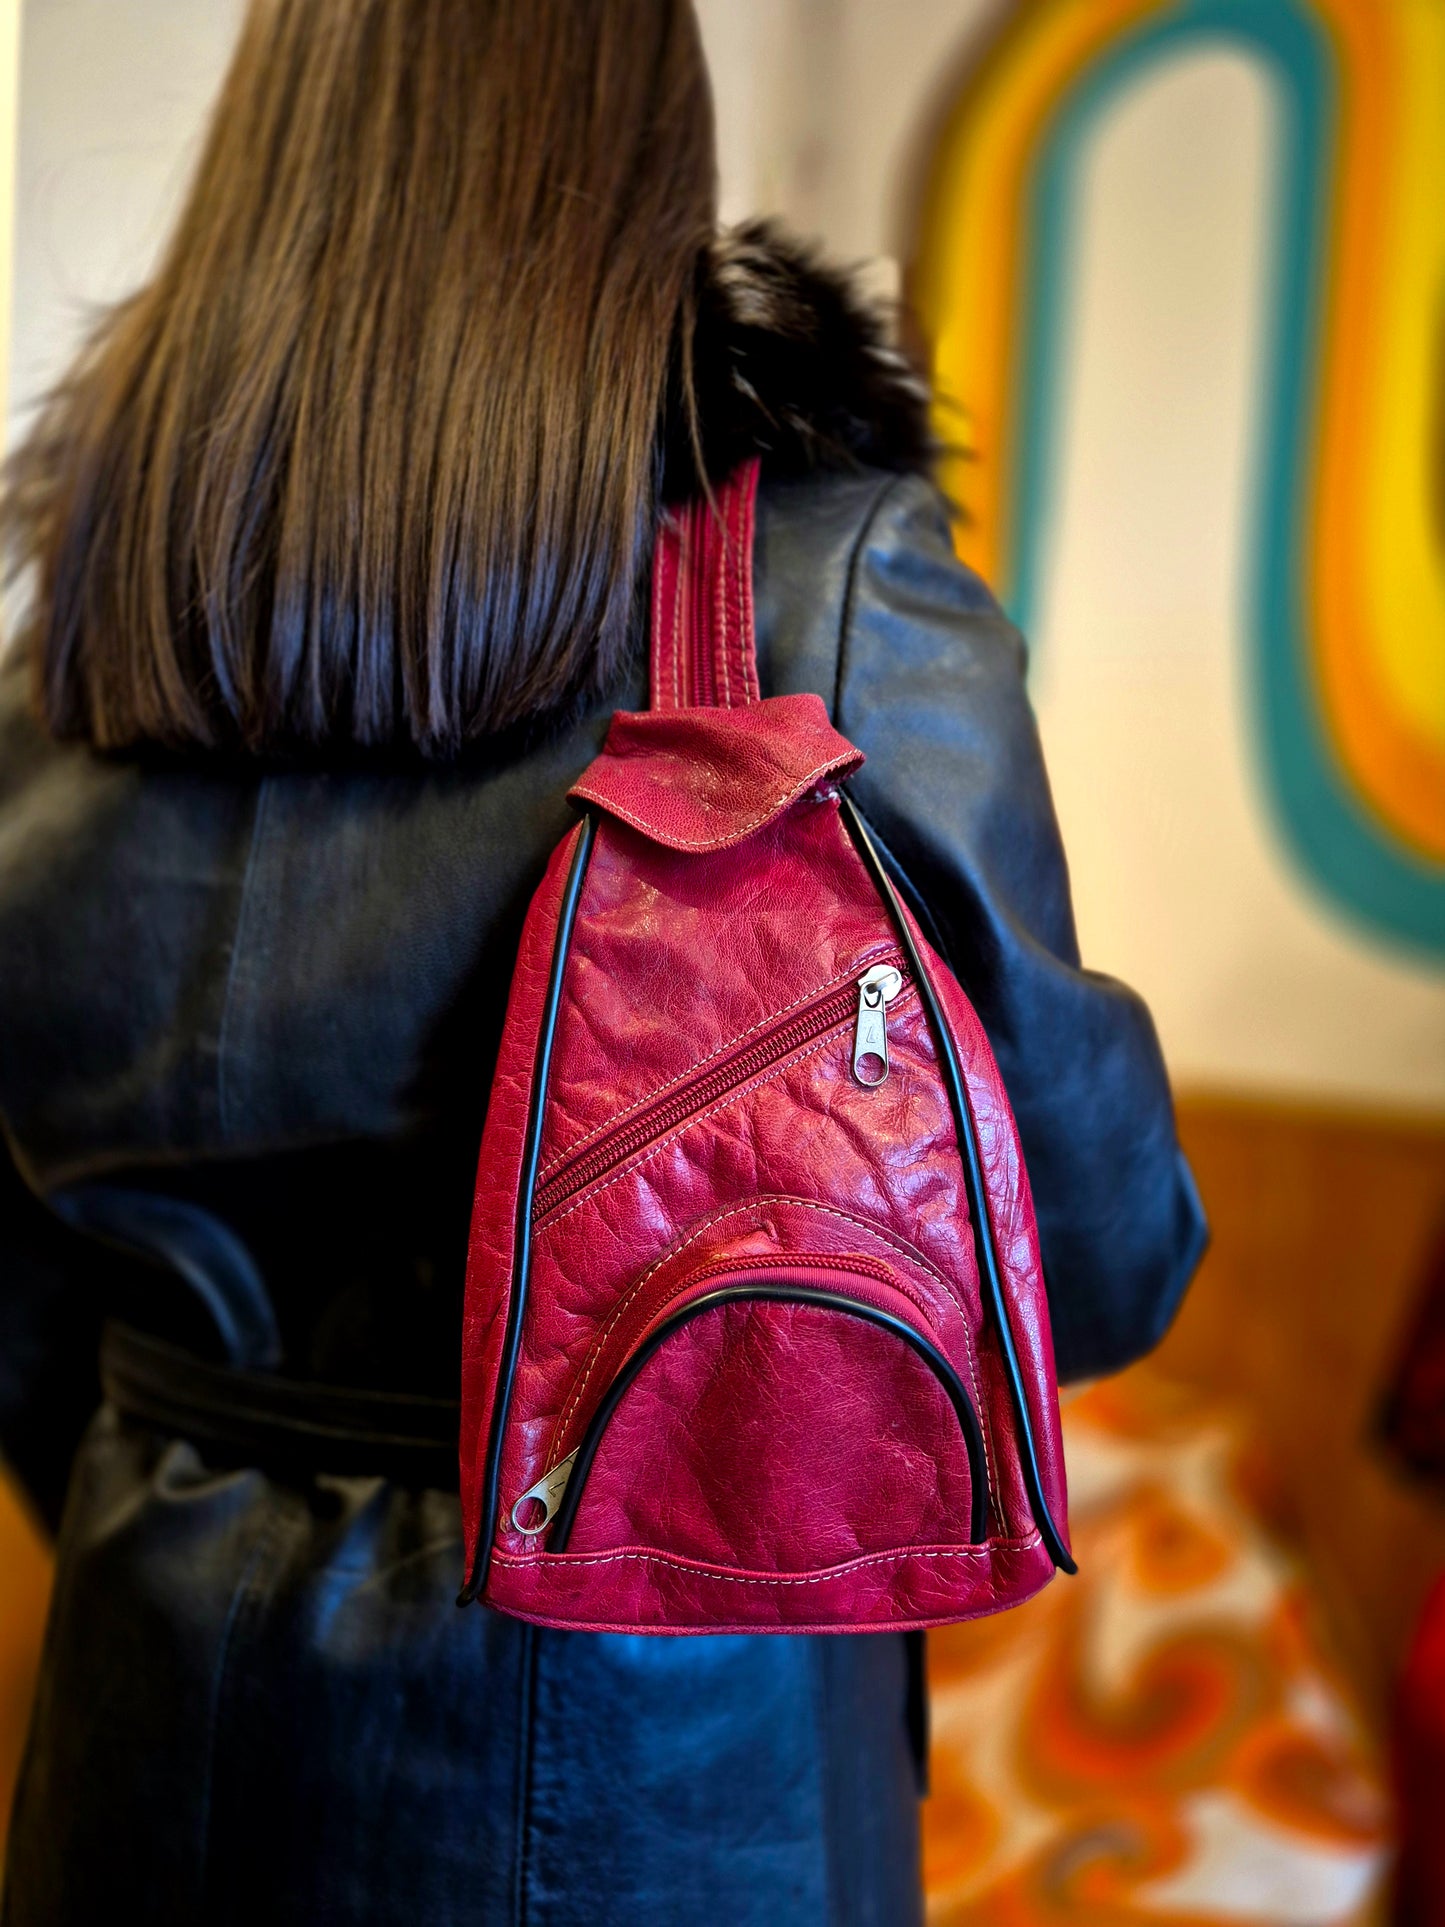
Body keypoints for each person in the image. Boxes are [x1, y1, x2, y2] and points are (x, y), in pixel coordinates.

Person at [0, 2, 1206, 1922]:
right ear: (643, 162)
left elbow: (23, 1303)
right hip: (649, 1754)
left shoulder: (76, 653)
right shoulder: (818, 598)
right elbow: (1089, 1252)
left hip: (142, 1708)